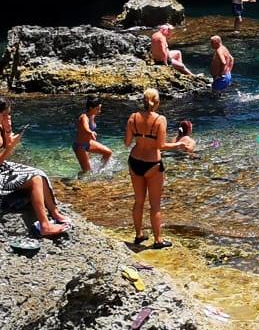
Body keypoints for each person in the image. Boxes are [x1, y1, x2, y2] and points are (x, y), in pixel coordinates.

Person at [0, 95, 69, 235]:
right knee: (35, 179)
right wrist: (10, 147)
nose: (6, 117)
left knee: (39, 172)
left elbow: (3, 148)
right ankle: (45, 225)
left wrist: (7, 129)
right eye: (3, 114)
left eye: (8, 114)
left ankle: (54, 212)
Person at [125, 88, 185, 249]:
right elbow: (161, 146)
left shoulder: (133, 117)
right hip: (152, 163)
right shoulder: (160, 120)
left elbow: (127, 142)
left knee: (138, 201)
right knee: (155, 204)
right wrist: (178, 144)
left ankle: (138, 235)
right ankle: (158, 240)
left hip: (135, 160)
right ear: (157, 103)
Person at [74, 96, 114, 172]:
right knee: (87, 171)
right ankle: (80, 182)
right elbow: (86, 128)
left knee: (108, 153)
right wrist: (91, 132)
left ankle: (100, 170)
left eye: (100, 108)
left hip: (89, 143)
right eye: (97, 109)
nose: (99, 111)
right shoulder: (84, 117)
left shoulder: (92, 115)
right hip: (80, 146)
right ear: (90, 108)